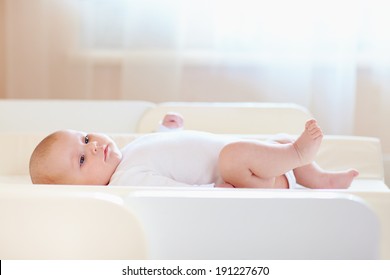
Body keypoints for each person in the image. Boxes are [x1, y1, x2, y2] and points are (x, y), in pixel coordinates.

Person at [29, 116, 359, 189]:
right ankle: (297, 155)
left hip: (258, 166)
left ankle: (320, 178)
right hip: (243, 180)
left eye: (85, 137)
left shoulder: (127, 153)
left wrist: (168, 131)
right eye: (83, 159)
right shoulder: (127, 180)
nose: (94, 145)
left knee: (277, 139)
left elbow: (166, 151)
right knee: (234, 154)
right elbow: (173, 193)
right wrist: (211, 192)